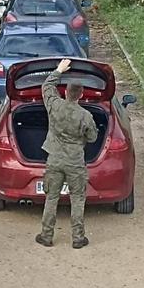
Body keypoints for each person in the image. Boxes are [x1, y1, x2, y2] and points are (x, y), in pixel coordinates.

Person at [36, 58, 98, 249]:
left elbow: (46, 86)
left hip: (54, 158)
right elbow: (93, 137)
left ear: (65, 92)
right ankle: (78, 238)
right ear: (81, 95)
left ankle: (46, 235)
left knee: (51, 197)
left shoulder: (55, 105)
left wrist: (59, 70)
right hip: (75, 161)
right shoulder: (85, 116)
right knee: (77, 199)